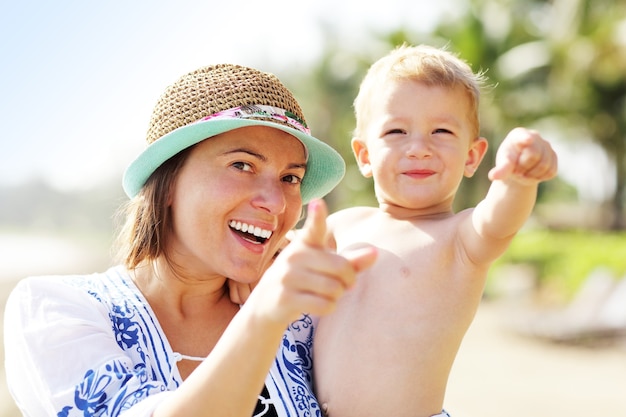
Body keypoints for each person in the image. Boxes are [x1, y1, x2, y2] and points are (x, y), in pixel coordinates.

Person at [4, 63, 377, 417]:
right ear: (167, 183)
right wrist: (264, 313)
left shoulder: (307, 318)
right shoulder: (57, 311)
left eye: (290, 178)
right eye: (242, 165)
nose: (277, 202)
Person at [312, 44, 558, 417]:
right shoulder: (340, 225)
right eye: (396, 130)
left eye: (441, 130)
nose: (419, 148)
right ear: (364, 155)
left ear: (472, 156)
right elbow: (280, 264)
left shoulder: (461, 238)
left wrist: (520, 177)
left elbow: (500, 219)